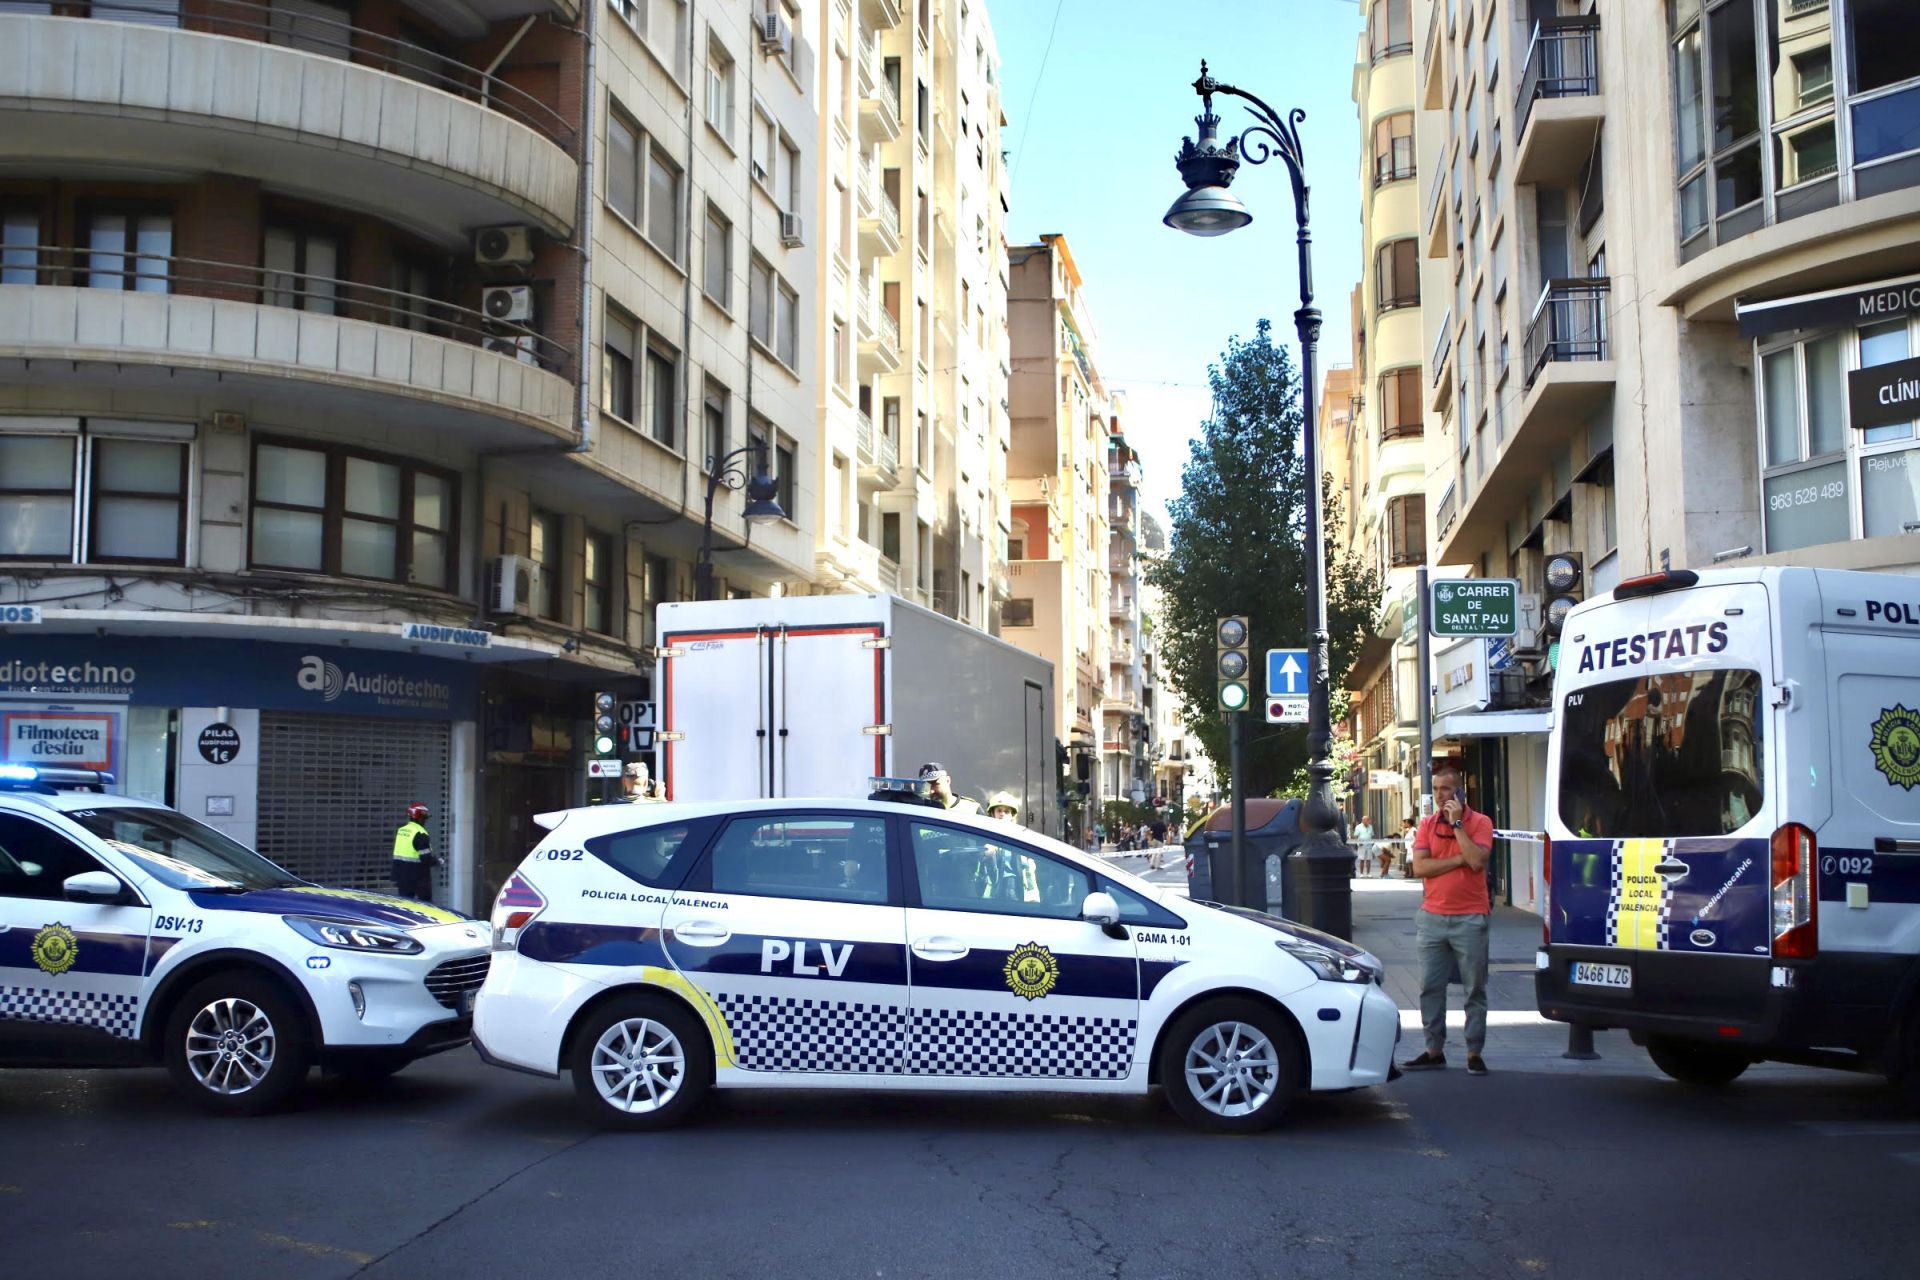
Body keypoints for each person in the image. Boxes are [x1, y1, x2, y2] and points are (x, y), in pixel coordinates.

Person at [1399, 767, 1494, 1075]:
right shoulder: (1427, 824)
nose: (1440, 795)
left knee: (1474, 988)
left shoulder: (1480, 823)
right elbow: (1420, 868)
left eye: (1446, 789)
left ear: (1459, 792)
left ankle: (1473, 1051)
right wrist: (1457, 860)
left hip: (1470, 916)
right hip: (1432, 917)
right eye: (1436, 789)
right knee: (1430, 986)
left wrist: (1457, 827)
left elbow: (1477, 861)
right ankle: (1433, 1049)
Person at [391, 802, 436, 903]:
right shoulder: (420, 833)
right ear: (420, 817)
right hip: (418, 876)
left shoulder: (401, 830)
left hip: (401, 875)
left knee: (406, 905)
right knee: (426, 906)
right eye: (425, 818)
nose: (425, 821)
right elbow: (426, 858)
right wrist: (437, 861)